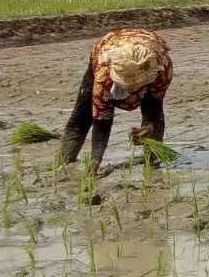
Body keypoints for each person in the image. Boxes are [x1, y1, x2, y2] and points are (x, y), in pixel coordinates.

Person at [58, 28, 173, 172]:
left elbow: (154, 108)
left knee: (153, 120)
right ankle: (63, 160)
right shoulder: (104, 75)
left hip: (148, 59)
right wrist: (96, 159)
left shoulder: (161, 70)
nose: (131, 91)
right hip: (109, 49)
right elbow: (102, 120)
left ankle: (153, 163)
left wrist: (149, 128)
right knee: (82, 113)